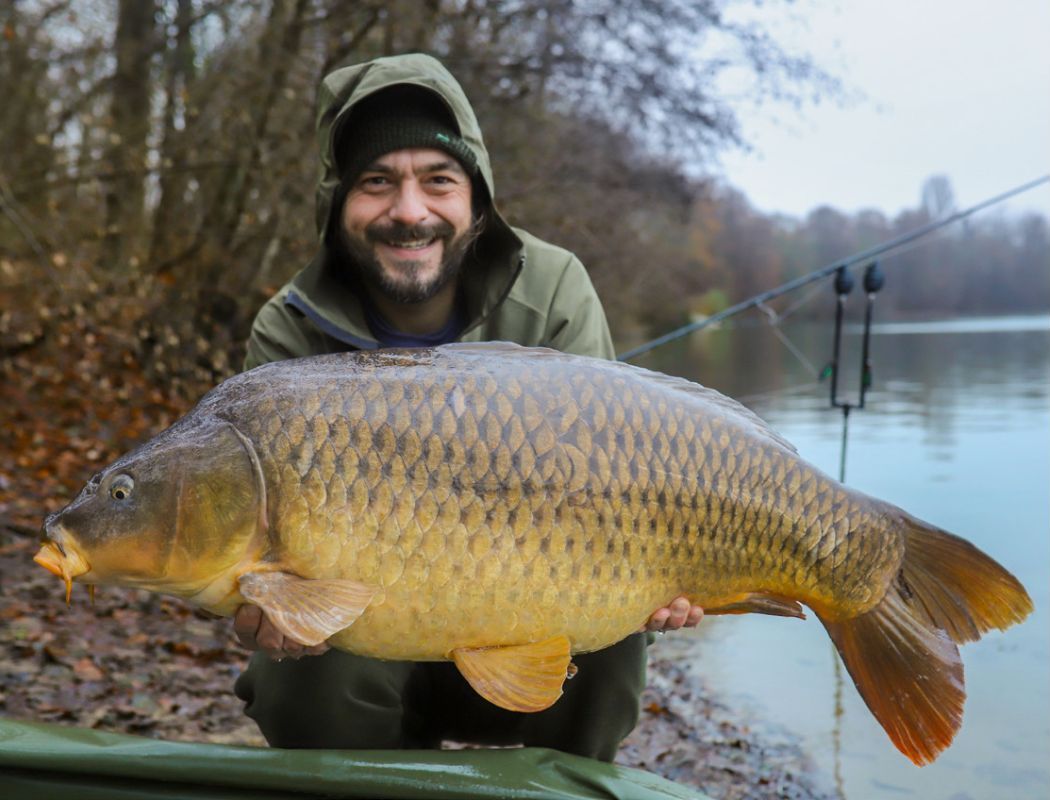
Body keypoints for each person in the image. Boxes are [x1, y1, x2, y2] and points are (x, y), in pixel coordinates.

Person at [233, 52, 703, 762]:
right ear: (338, 207)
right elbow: (252, 551)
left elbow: (613, 482)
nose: (409, 210)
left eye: (439, 181)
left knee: (614, 633)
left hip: (528, 645)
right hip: (365, 655)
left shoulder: (552, 290)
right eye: (376, 182)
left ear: (477, 203)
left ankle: (558, 780)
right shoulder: (289, 328)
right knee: (299, 675)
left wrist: (671, 572)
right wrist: (265, 608)